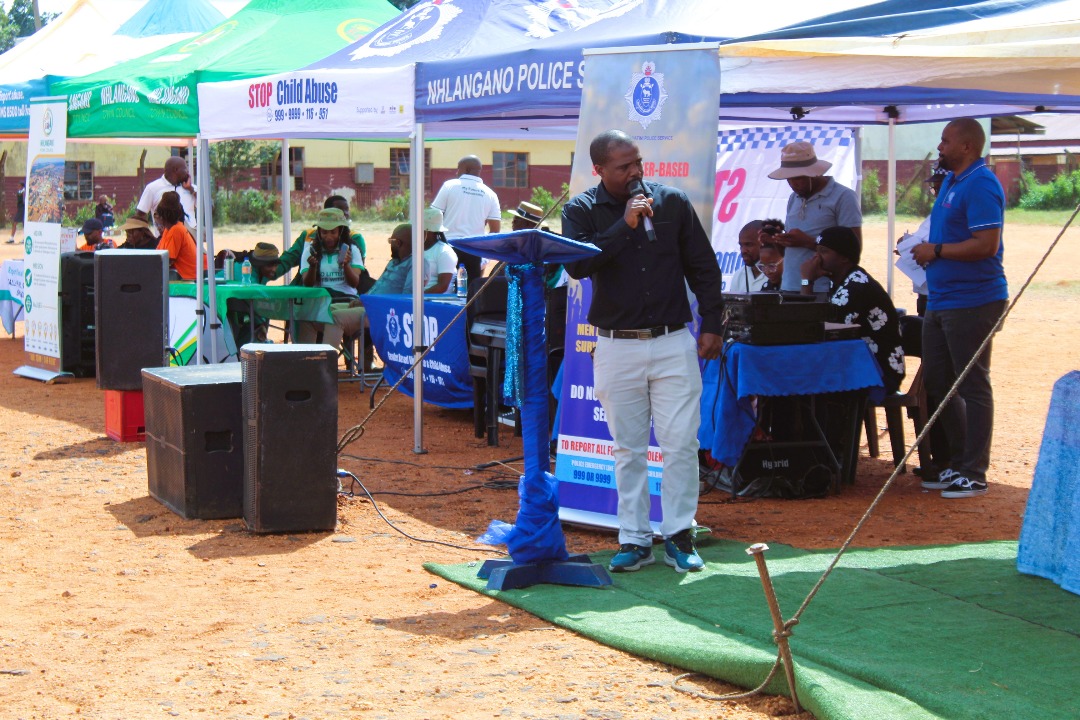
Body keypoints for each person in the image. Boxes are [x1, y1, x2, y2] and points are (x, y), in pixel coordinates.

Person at [562, 129, 725, 574]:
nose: (635, 171)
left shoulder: (670, 202)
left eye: (637, 161)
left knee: (681, 444)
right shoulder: (581, 210)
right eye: (624, 166)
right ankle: (634, 539)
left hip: (673, 341)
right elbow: (577, 265)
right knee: (628, 449)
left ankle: (679, 534)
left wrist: (713, 323)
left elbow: (703, 267)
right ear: (599, 169)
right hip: (616, 345)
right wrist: (624, 225)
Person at [911, 118, 1008, 499]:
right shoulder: (953, 181)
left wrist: (935, 250)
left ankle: (974, 472)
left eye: (945, 141)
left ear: (967, 146)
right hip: (941, 298)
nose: (940, 147)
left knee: (972, 385)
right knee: (938, 382)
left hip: (973, 300)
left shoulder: (981, 184)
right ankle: (956, 462)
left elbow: (986, 245)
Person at [801, 226, 906, 394]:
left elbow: (818, 330)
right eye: (816, 251)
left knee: (802, 383)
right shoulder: (844, 281)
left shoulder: (855, 286)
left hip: (876, 372)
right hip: (857, 366)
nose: (816, 258)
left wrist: (807, 281)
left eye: (824, 252)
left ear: (844, 257)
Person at [767, 141, 862, 293]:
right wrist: (778, 241)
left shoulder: (843, 196)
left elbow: (852, 252)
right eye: (788, 178)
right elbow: (792, 253)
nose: (793, 184)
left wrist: (807, 242)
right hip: (789, 286)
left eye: (798, 178)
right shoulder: (794, 198)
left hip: (823, 289)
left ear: (813, 173)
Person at [295, 207, 366, 349]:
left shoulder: (352, 249)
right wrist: (313, 267)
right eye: (324, 232)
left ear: (341, 231)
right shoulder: (310, 251)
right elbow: (307, 284)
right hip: (320, 301)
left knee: (332, 314)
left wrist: (346, 265)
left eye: (333, 232)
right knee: (304, 317)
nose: (328, 237)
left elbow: (354, 283)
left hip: (346, 301)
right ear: (319, 232)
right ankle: (305, 357)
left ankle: (326, 359)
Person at [430, 155, 501, 283]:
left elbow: (433, 216)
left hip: (448, 248)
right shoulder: (491, 194)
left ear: (467, 169)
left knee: (445, 288)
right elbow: (495, 231)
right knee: (471, 290)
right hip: (474, 251)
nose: (456, 172)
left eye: (458, 169)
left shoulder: (449, 186)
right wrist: (483, 255)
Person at [273, 195, 367, 282]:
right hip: (308, 288)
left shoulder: (355, 239)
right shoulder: (308, 236)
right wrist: (271, 270)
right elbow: (288, 259)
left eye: (347, 210)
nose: (345, 214)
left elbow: (357, 275)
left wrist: (345, 265)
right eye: (339, 210)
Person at [896, 165, 948, 317]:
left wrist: (930, 249)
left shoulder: (956, 215)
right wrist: (906, 245)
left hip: (943, 292)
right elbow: (923, 237)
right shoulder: (936, 213)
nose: (936, 194)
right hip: (926, 289)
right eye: (934, 189)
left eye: (939, 189)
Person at [135, 156, 197, 236]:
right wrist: (150, 237)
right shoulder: (152, 188)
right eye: (185, 169)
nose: (188, 173)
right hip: (165, 238)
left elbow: (208, 207)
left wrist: (191, 190)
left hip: (190, 238)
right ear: (176, 170)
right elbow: (140, 214)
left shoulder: (192, 188)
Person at [154, 191, 199, 280]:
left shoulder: (176, 230)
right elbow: (157, 254)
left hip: (188, 279)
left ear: (161, 216)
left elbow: (168, 260)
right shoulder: (169, 229)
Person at [368, 223, 414, 296]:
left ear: (398, 243)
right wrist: (362, 299)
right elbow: (377, 285)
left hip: (384, 303)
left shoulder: (415, 264)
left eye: (390, 241)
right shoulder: (393, 261)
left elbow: (407, 297)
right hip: (370, 300)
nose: (390, 244)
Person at [421, 207, 458, 294]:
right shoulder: (415, 249)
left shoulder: (444, 252)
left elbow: (442, 286)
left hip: (435, 299)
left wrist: (418, 297)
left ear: (429, 231)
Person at [727, 220, 766, 293]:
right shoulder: (738, 275)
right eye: (741, 245)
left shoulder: (780, 274)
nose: (743, 250)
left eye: (749, 245)